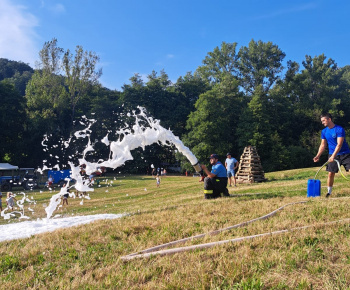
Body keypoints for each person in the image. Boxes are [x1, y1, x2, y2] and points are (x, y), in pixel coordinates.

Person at [313, 113, 350, 197]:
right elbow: (323, 145)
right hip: (332, 155)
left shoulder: (339, 129)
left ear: (329, 119)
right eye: (321, 121)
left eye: (323, 120)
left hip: (345, 154)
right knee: (330, 174)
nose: (322, 122)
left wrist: (333, 155)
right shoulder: (324, 131)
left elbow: (339, 144)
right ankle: (329, 193)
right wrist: (318, 155)